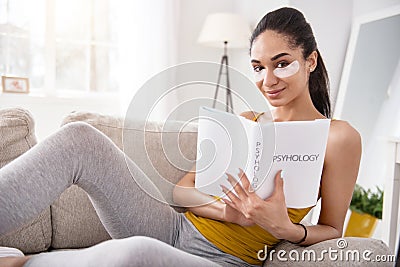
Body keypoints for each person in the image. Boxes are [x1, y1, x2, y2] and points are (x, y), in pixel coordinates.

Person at [0, 7, 361, 267]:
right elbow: (183, 191)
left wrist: (287, 229)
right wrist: (229, 212)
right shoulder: (247, 122)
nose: (268, 80)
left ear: (311, 60)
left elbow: (332, 229)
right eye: (258, 67)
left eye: (282, 63)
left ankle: (23, 262)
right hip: (173, 227)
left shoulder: (338, 138)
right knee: (81, 138)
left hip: (225, 260)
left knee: (136, 253)